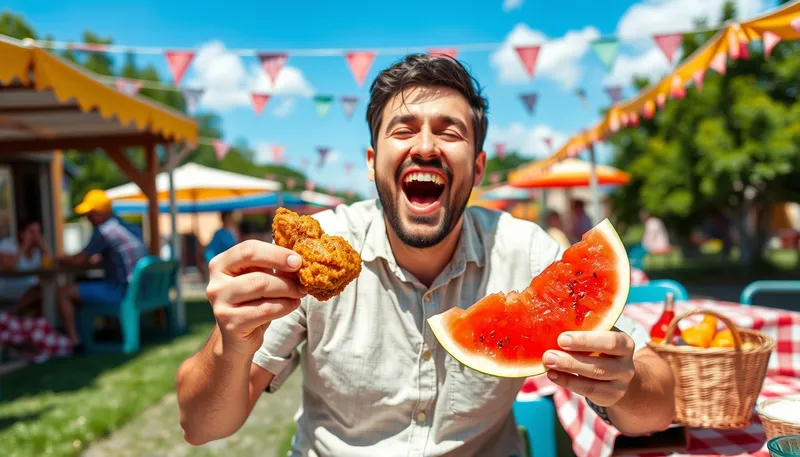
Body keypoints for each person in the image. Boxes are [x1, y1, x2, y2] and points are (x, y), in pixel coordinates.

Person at [176, 54, 676, 456]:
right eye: (403, 129)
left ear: (477, 167)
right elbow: (201, 427)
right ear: (373, 164)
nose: (426, 146)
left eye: (450, 131)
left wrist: (626, 387)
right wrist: (231, 345)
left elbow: (657, 408)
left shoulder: (526, 250)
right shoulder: (313, 255)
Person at [56, 189, 148, 350]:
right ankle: (105, 330)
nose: (88, 218)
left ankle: (74, 342)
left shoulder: (104, 232)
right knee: (90, 283)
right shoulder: (126, 227)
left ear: (100, 213)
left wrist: (57, 259)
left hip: (123, 292)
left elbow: (78, 260)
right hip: (140, 289)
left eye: (90, 214)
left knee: (65, 293)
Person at [0, 219, 48, 315]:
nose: (35, 236)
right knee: (41, 292)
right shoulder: (7, 244)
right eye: (31, 232)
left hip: (30, 288)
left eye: (38, 232)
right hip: (9, 289)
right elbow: (8, 266)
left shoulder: (38, 249)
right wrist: (25, 246)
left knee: (47, 291)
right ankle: (13, 312)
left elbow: (52, 264)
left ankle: (15, 313)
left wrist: (42, 247)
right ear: (22, 234)